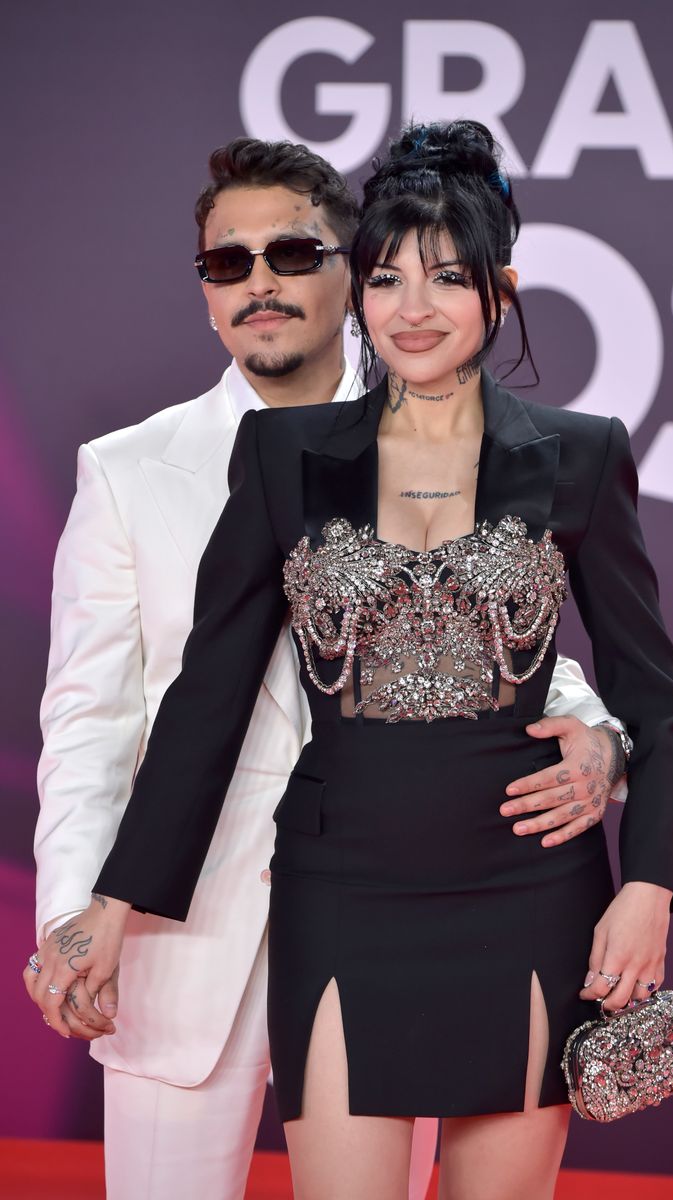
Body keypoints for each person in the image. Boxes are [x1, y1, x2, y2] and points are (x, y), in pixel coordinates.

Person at [27, 135, 630, 1200]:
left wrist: (600, 739)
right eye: (228, 264)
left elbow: (498, 631)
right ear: (206, 293)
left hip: (416, 889)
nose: (260, 282)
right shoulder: (125, 471)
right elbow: (92, 721)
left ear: (354, 268)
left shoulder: (471, 430)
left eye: (294, 252)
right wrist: (82, 914)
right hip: (186, 917)